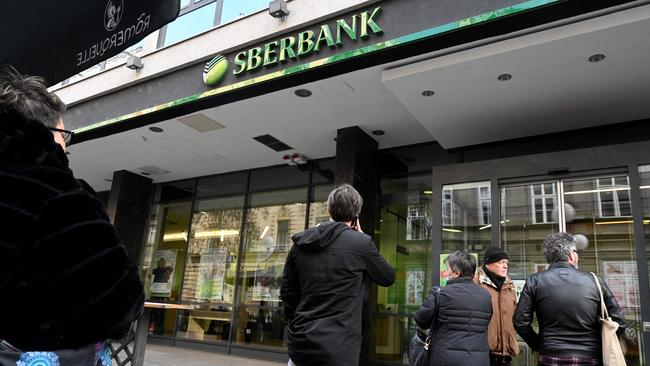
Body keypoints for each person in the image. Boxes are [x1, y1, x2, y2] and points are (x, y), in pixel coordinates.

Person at [0, 68, 144, 364]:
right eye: (65, 135)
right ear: (47, 134)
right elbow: (119, 306)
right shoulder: (60, 196)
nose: (66, 145)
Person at [280, 184, 395, 366]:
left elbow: (287, 293)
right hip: (340, 348)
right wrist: (363, 235)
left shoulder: (301, 244)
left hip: (301, 346)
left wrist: (295, 325)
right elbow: (387, 277)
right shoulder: (361, 244)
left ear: (329, 209)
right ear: (356, 213)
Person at [513, 232, 626, 365]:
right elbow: (619, 321)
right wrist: (600, 343)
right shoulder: (594, 281)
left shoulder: (535, 281)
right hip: (589, 357)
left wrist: (539, 345)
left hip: (550, 355)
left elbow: (520, 322)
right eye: (576, 251)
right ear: (571, 254)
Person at [415, 250, 492, 366]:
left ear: (456, 273)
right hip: (479, 359)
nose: (445, 273)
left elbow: (421, 320)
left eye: (447, 269)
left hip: (444, 358)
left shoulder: (439, 293)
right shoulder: (486, 295)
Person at [474, 247, 520, 365]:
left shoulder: (509, 285)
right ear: (489, 264)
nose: (505, 266)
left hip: (506, 355)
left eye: (506, 263)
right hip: (483, 355)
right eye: (501, 262)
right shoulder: (476, 284)